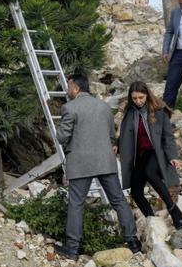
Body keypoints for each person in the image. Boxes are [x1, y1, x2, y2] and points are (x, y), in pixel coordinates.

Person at [55, 74, 141, 261]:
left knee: (76, 204)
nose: (67, 89)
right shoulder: (103, 106)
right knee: (118, 200)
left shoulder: (69, 108)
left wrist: (58, 128)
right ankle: (133, 241)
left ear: (76, 88)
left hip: (81, 163)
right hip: (105, 160)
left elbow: (62, 137)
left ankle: (72, 249)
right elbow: (111, 133)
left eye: (69, 85)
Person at [117, 81, 182, 229]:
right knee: (135, 192)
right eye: (134, 98)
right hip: (140, 155)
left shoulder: (158, 111)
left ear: (147, 95)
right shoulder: (130, 113)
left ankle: (174, 211)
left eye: (141, 97)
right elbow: (124, 134)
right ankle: (152, 221)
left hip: (155, 151)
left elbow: (168, 137)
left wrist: (173, 156)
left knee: (150, 172)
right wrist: (117, 145)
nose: (138, 101)